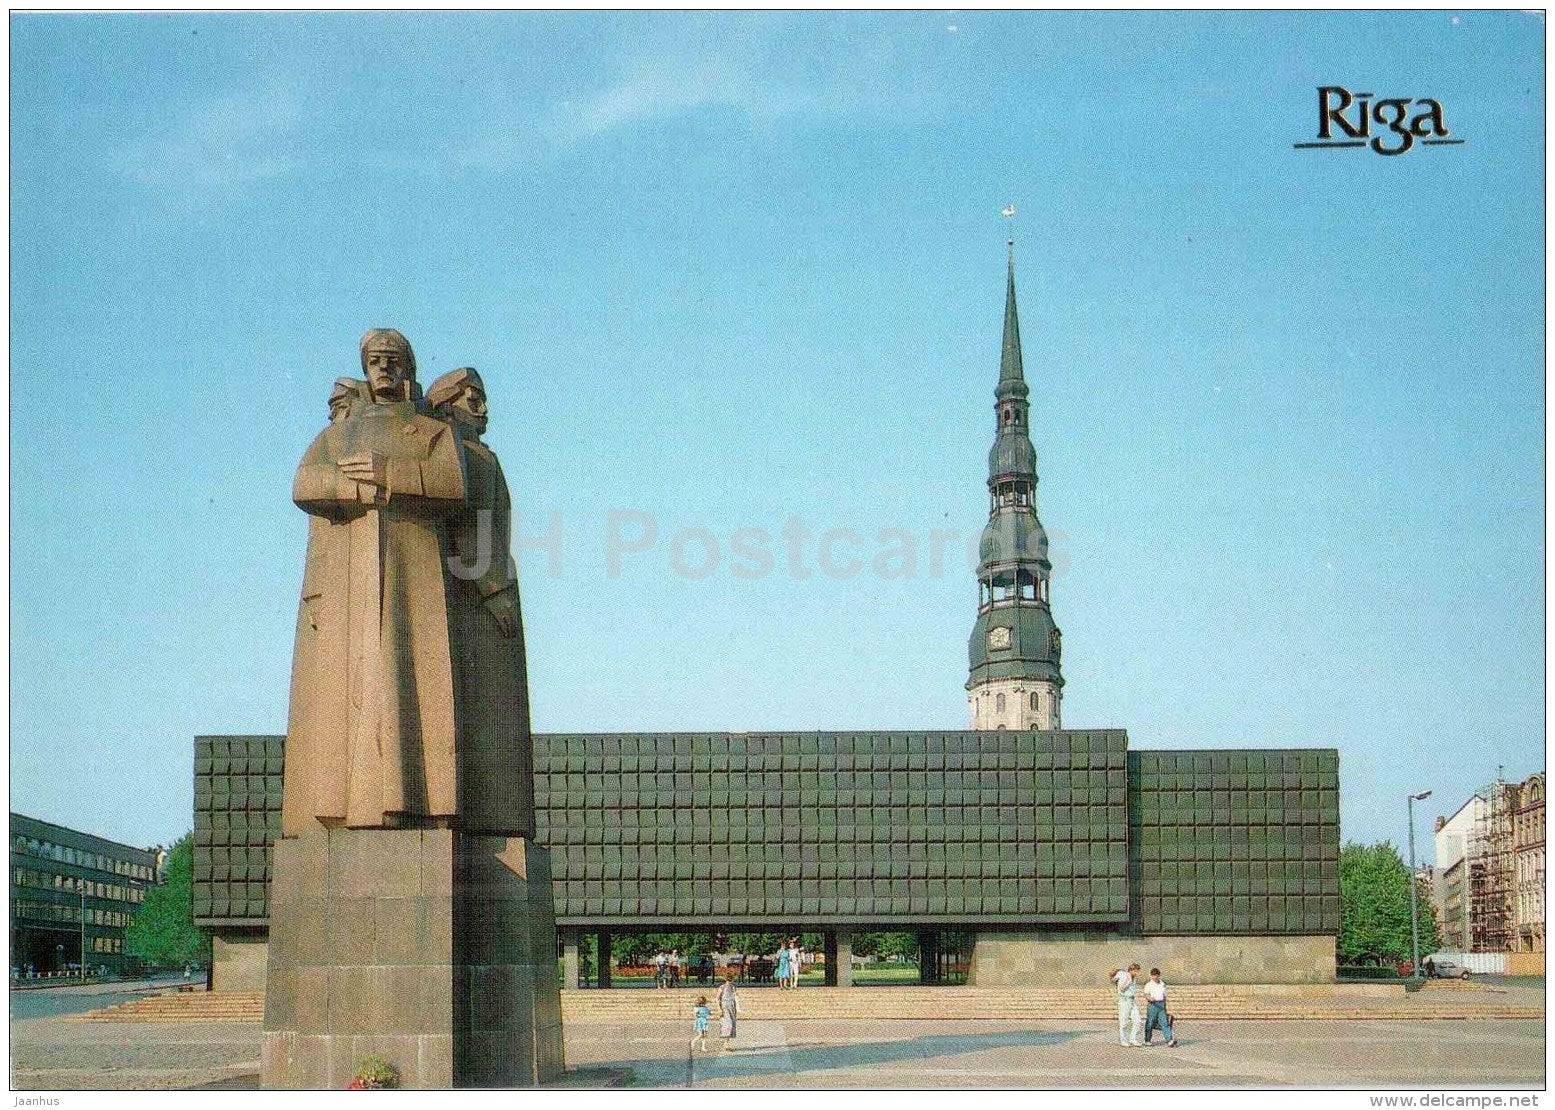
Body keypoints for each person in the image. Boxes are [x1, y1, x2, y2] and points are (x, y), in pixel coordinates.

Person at [283, 330, 469, 832]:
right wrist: (349, 488)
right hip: (351, 579)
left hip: (417, 576)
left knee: (414, 688)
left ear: (407, 366)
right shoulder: (337, 435)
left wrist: (390, 474)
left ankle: (421, 808)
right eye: (373, 360)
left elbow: (455, 484)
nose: (382, 368)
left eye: (391, 360)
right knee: (352, 694)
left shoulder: (432, 432)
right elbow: (303, 484)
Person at [426, 367, 535, 834]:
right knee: (489, 718)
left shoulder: (479, 456)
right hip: (478, 604)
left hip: (486, 593)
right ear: (449, 405)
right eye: (473, 398)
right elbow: (470, 533)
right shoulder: (463, 457)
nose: (483, 408)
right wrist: (492, 588)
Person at [1141, 968, 1178, 1047]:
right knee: (1150, 1022)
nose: (1155, 977)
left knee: (1165, 1022)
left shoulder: (1162, 984)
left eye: (1156, 976)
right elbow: (1146, 994)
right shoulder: (1148, 985)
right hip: (1152, 1005)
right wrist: (1150, 998)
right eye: (1153, 976)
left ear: (1159, 976)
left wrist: (1164, 1005)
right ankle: (1147, 1040)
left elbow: (1164, 995)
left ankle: (1169, 1040)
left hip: (1161, 1005)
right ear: (1151, 976)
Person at [1109, 963, 1143, 1046]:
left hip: (1132, 1000)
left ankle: (1133, 1038)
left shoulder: (1134, 978)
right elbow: (1121, 988)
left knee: (1137, 1020)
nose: (1137, 973)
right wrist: (1129, 982)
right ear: (1131, 970)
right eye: (1136, 971)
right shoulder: (1124, 975)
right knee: (1124, 1021)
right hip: (1124, 1000)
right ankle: (1123, 1040)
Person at [717, 969, 739, 1046]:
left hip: (731, 1005)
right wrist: (719, 1008)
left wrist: (736, 1008)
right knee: (728, 1023)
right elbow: (717, 998)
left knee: (731, 1023)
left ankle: (727, 1042)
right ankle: (726, 1042)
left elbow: (735, 997)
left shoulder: (733, 987)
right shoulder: (722, 987)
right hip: (725, 1005)